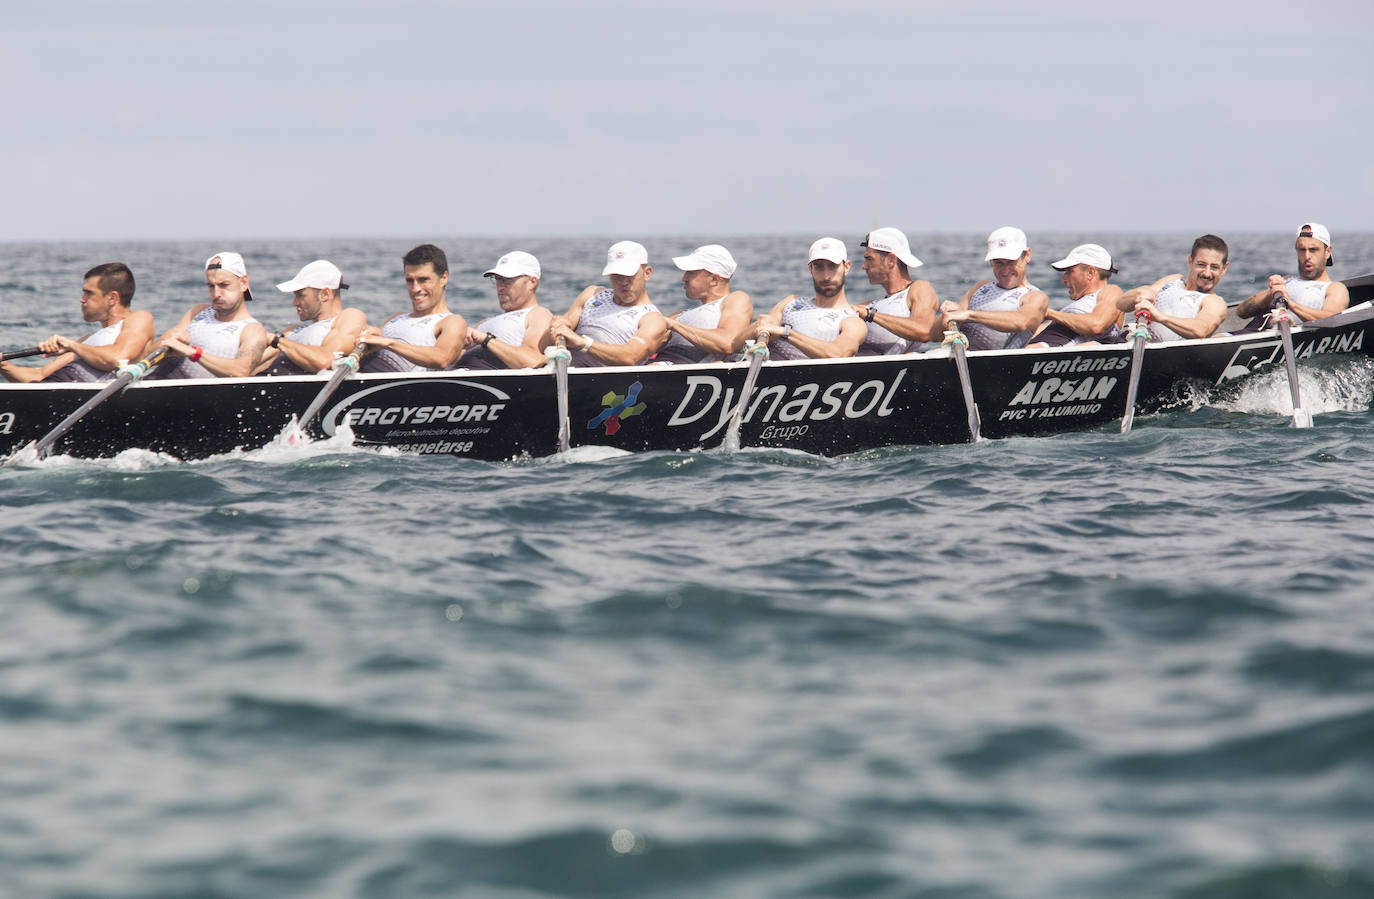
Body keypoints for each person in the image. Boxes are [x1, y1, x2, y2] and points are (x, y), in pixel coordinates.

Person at [1, 263, 154, 383]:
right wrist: (3, 365)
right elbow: (38, 376)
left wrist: (72, 345)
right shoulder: (85, 343)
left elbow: (119, 358)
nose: (82, 299)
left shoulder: (139, 318)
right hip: (52, 394)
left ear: (112, 298)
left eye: (89, 293)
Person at [742, 237, 867, 360]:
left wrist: (785, 333)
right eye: (818, 267)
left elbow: (839, 353)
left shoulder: (852, 321)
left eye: (832, 266)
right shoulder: (790, 302)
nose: (826, 276)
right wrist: (758, 326)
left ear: (846, 267)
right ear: (810, 269)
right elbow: (733, 346)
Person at [548, 241, 668, 366]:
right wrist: (558, 327)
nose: (623, 282)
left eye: (629, 275)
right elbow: (566, 324)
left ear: (647, 273)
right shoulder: (592, 294)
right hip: (564, 366)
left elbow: (631, 356)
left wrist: (582, 342)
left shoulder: (653, 319)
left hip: (601, 379)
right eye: (616, 276)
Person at [153, 252, 268, 378]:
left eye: (224, 285)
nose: (216, 293)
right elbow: (148, 354)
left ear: (243, 283)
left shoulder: (253, 330)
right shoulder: (198, 312)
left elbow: (240, 371)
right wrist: (167, 345)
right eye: (211, 286)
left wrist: (193, 353)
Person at [359, 244, 467, 372]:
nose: (415, 289)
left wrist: (389, 343)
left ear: (443, 278)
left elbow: (442, 359)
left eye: (423, 280)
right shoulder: (397, 317)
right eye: (410, 280)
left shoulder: (451, 321)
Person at [938, 226, 1048, 350]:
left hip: (1001, 365)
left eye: (1011, 262)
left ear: (1027, 256)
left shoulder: (1035, 296)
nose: (1005, 271)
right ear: (991, 262)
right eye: (998, 263)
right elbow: (933, 335)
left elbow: (1022, 322)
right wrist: (947, 315)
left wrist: (968, 315)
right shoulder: (980, 288)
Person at [257, 260, 368, 375]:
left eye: (300, 295)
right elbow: (252, 365)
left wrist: (276, 340)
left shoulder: (349, 317)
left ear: (324, 294)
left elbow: (325, 361)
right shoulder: (292, 330)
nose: (295, 303)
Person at [1115, 235, 1229, 341]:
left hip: (1168, 356)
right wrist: (1138, 295)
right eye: (1201, 265)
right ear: (1190, 262)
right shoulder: (1173, 280)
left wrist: (1159, 317)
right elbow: (1120, 304)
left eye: (1214, 267)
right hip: (1131, 341)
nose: (1207, 273)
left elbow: (1201, 330)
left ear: (1224, 269)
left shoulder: (1215, 302)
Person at [655, 244, 753, 364]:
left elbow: (728, 342)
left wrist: (675, 326)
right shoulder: (679, 315)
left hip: (679, 370)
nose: (684, 278)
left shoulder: (734, 299)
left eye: (691, 273)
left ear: (714, 279)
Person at [454, 251, 553, 369]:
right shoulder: (485, 322)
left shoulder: (537, 314)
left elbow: (533, 360)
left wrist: (485, 339)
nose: (500, 287)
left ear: (532, 282)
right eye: (498, 279)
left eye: (507, 280)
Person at [1236, 223, 1350, 325]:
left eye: (1313, 250)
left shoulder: (1335, 288)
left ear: (1327, 252)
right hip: (1253, 332)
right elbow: (1241, 312)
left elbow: (1331, 321)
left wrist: (1289, 303)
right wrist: (1270, 294)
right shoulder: (1286, 281)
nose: (1307, 256)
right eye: (1302, 250)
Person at [854, 227, 940, 353]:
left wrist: (870, 315)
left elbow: (924, 330)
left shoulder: (919, 289)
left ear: (891, 261)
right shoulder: (867, 305)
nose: (864, 266)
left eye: (869, 259)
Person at [1028, 244, 1124, 347]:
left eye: (1069, 271)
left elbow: (1096, 324)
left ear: (1090, 273)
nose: (1063, 279)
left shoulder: (1111, 292)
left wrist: (1049, 313)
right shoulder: (1073, 314)